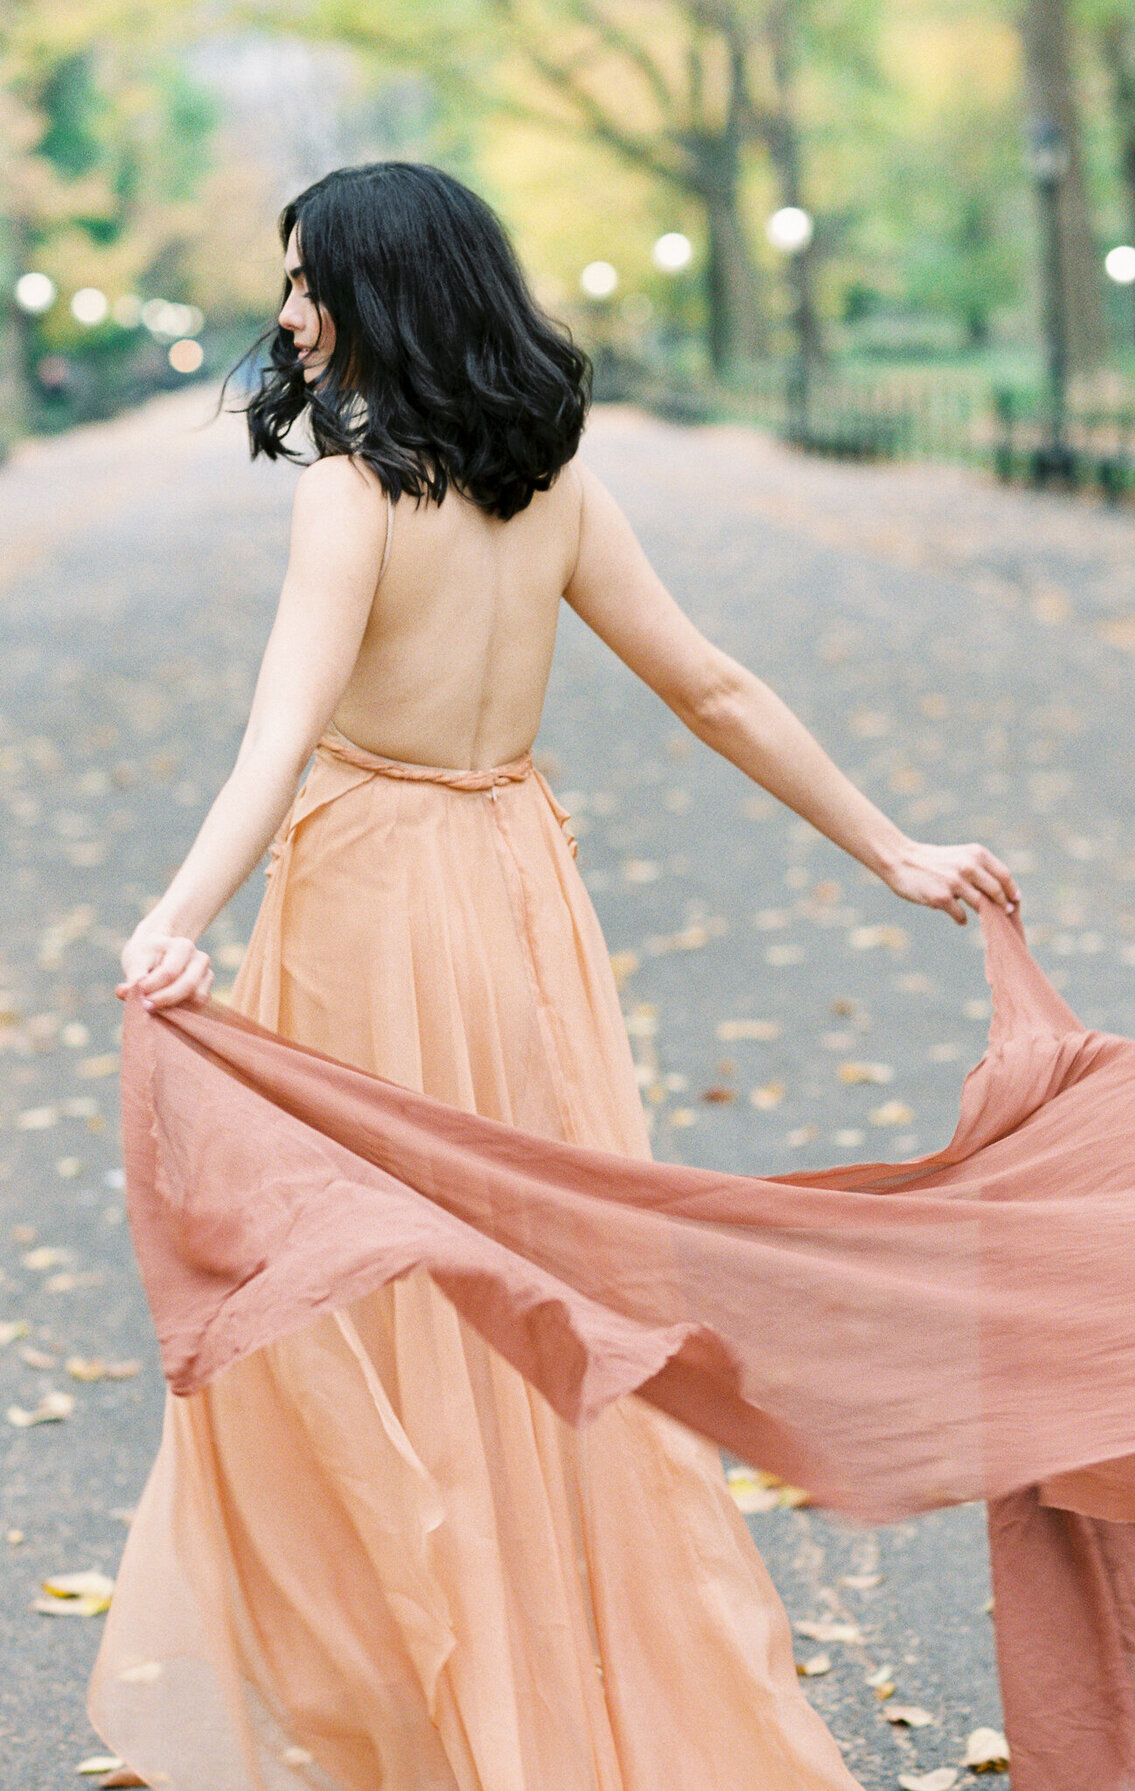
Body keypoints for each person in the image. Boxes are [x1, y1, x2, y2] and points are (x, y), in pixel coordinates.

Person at [91, 162, 1019, 1791]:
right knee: (531, 1272)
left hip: (379, 896)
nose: (290, 312)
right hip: (519, 894)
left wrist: (174, 917)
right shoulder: (554, 472)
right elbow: (714, 688)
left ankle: (455, 1687)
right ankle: (539, 1655)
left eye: (310, 281)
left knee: (388, 1289)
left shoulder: (349, 490)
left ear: (385, 291)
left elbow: (280, 734)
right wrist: (894, 849)